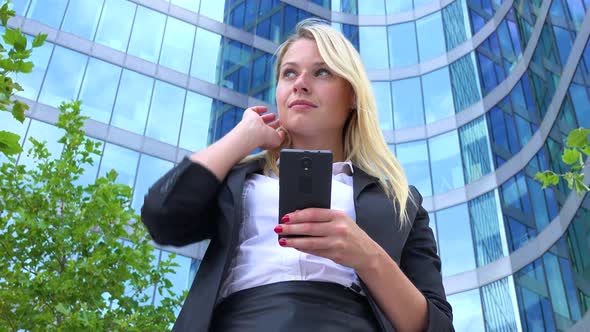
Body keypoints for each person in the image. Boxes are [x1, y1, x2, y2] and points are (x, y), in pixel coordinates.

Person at [141, 18, 453, 332]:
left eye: (322, 72)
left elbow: (437, 327)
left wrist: (367, 255)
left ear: (353, 96)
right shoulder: (238, 182)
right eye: (289, 72)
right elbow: (162, 217)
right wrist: (241, 138)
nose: (300, 84)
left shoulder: (400, 202)